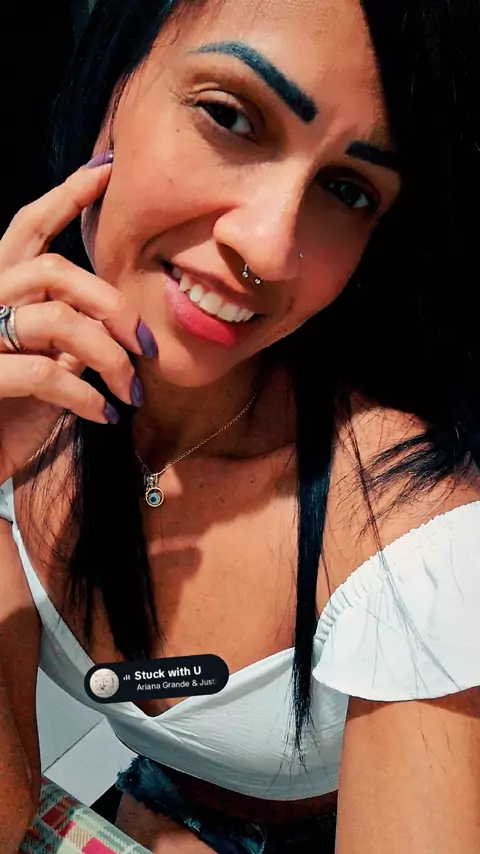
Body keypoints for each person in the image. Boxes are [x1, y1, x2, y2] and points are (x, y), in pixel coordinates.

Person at [0, 0, 479, 851]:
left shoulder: (417, 539)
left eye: (347, 190)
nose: (266, 246)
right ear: (112, 80)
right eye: (230, 116)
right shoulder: (19, 397)